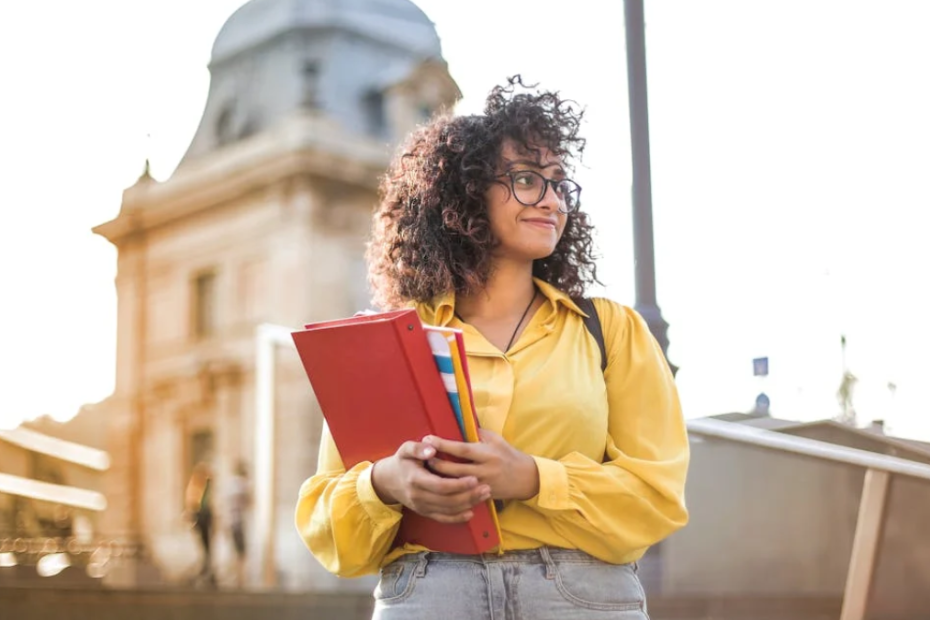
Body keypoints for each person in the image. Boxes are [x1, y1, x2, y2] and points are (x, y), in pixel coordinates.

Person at [295, 76, 689, 619]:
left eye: (558, 183)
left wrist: (530, 477)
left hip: (582, 597)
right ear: (465, 194)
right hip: (429, 593)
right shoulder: (388, 341)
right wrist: (386, 483)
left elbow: (658, 496)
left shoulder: (611, 331)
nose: (551, 200)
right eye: (526, 179)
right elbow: (327, 523)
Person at [185, 462, 215, 586]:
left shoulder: (203, 486)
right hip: (200, 517)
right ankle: (203, 568)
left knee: (206, 545)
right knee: (203, 545)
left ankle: (205, 567)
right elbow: (194, 503)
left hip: (204, 517)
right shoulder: (196, 486)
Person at [226, 460, 251, 588]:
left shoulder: (231, 485)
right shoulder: (241, 484)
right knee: (240, 552)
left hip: (232, 521)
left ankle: (237, 577)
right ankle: (239, 578)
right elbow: (248, 501)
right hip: (238, 522)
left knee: (236, 550)